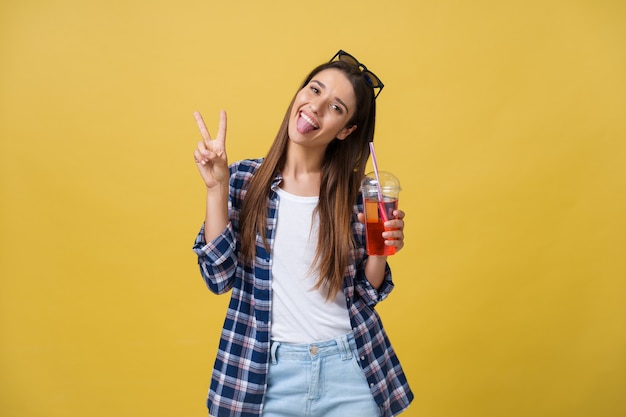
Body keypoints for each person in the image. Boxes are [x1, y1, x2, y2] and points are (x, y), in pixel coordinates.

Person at [192, 50, 413, 417]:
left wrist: (381, 248)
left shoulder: (355, 195)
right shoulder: (244, 180)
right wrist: (216, 188)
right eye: (314, 89)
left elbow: (367, 294)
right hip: (263, 377)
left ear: (346, 130)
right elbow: (218, 278)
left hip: (350, 370)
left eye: (337, 107)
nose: (316, 106)